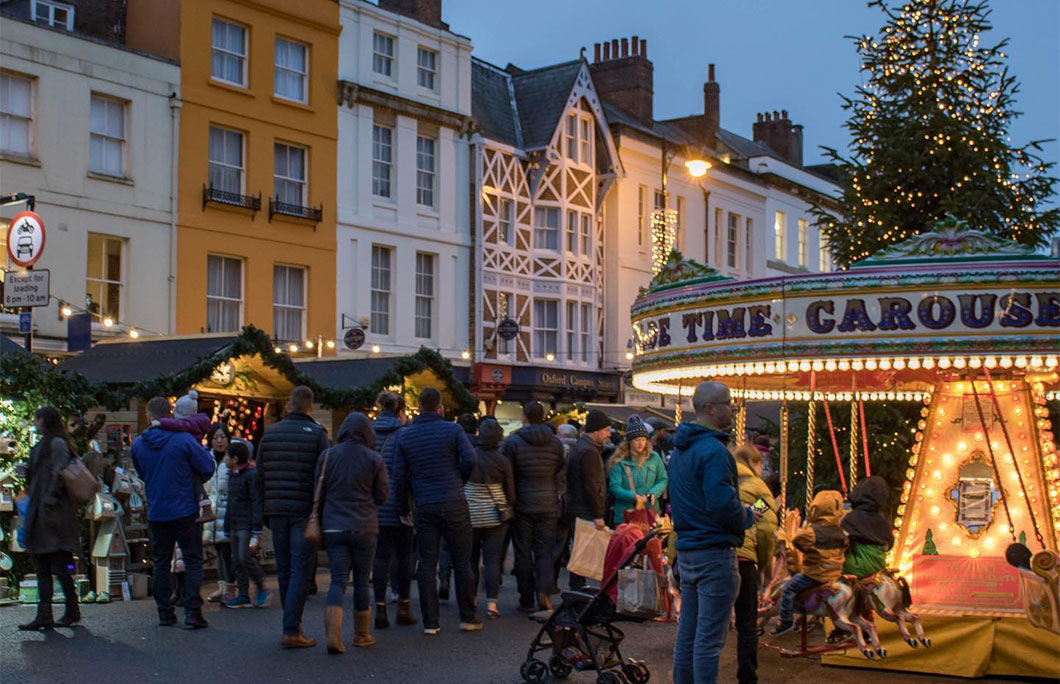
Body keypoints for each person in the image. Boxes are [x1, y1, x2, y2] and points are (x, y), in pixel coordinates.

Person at [668, 381, 757, 684]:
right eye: (727, 403)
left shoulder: (681, 450)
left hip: (689, 549)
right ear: (709, 408)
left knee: (688, 634)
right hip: (714, 552)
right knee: (708, 639)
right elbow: (722, 504)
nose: (732, 408)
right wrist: (745, 517)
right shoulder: (715, 451)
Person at [391, 387, 481, 634]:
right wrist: (458, 481)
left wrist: (403, 507)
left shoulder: (406, 436)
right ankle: (468, 617)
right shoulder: (453, 430)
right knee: (462, 562)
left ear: (418, 407)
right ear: (440, 408)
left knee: (427, 564)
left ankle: (431, 622)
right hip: (454, 500)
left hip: (425, 503)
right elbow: (471, 459)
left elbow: (398, 475)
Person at [255, 385, 330, 648]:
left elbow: (259, 475)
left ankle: (290, 625)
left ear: (289, 404)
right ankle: (291, 628)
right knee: (301, 568)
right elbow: (324, 477)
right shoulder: (318, 435)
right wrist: (319, 513)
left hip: (276, 510)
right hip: (303, 511)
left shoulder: (270, 433)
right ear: (310, 406)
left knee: (285, 568)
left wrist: (265, 507)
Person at [132, 396, 216, 629]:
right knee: (192, 559)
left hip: (157, 510)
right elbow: (207, 467)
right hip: (186, 508)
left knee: (160, 562)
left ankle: (164, 612)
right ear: (170, 414)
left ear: (149, 417)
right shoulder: (183, 440)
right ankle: (192, 612)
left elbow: (141, 473)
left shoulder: (138, 444)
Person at [315, 412, 389, 653]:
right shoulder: (373, 458)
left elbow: (319, 490)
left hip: (334, 526)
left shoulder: (328, 456)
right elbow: (383, 496)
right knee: (360, 581)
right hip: (365, 527)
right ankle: (362, 634)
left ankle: (333, 635)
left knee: (337, 579)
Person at [18, 407, 82, 631]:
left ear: (43, 420)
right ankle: (54, 612)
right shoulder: (52, 443)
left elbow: (58, 474)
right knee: (48, 564)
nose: (34, 422)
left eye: (36, 419)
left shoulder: (54, 444)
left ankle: (62, 611)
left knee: (55, 564)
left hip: (51, 514)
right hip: (47, 512)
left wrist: (49, 498)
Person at [503, 401, 565, 612]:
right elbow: (558, 467)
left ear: (524, 417)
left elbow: (507, 471)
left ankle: (526, 598)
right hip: (548, 502)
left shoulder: (513, 442)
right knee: (544, 550)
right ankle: (544, 591)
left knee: (522, 551)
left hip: (522, 503)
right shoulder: (555, 443)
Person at [770, 490, 847, 636]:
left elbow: (758, 515)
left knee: (786, 588)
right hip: (834, 572)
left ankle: (785, 620)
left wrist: (769, 506)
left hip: (815, 572)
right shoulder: (839, 531)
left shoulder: (760, 493)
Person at [732, 445, 778, 684]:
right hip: (745, 558)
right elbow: (766, 528)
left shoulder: (721, 481)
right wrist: (763, 563)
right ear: (754, 464)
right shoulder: (759, 489)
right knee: (747, 624)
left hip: (717, 554)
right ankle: (747, 677)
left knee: (708, 624)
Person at [371, 391, 416, 629]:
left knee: (380, 557)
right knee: (404, 555)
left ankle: (379, 608)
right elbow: (409, 471)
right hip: (401, 504)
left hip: (375, 505)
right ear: (400, 411)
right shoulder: (405, 435)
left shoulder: (367, 432)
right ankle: (404, 606)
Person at [465, 417, 516, 619]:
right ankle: (492, 604)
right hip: (496, 516)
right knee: (492, 560)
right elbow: (511, 494)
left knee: (470, 560)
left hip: (471, 514)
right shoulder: (503, 460)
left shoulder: (469, 456)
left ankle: (471, 598)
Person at [564, 409, 611, 590]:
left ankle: (577, 590)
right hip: (584, 510)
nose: (608, 435)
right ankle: (577, 592)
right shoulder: (589, 452)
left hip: (577, 507)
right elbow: (592, 486)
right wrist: (598, 514)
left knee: (579, 552)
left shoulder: (580, 448)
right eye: (606, 430)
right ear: (597, 430)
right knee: (582, 554)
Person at [221, 440, 270, 609]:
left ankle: (261, 586)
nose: (225, 458)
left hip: (246, 524)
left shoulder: (250, 475)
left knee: (245, 556)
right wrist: (227, 523)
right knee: (236, 559)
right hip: (235, 523)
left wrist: (257, 526)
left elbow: (255, 501)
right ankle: (243, 594)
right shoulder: (232, 475)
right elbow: (230, 502)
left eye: (228, 455)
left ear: (235, 458)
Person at [606, 416, 668, 527]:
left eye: (643, 440)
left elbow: (662, 479)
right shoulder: (619, 460)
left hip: (649, 513)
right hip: (625, 514)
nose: (640, 443)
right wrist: (633, 496)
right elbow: (615, 487)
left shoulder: (654, 457)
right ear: (629, 442)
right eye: (636, 440)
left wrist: (653, 493)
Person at [203, 424, 233, 604]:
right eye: (216, 438)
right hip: (213, 510)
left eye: (223, 437)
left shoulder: (232, 459)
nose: (220, 441)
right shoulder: (207, 459)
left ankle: (230, 587)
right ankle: (222, 587)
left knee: (228, 551)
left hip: (228, 509)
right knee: (219, 549)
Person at [841, 476, 893, 578]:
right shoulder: (883, 521)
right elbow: (890, 544)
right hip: (880, 567)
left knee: (832, 564)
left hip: (855, 567)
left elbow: (840, 541)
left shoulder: (851, 518)